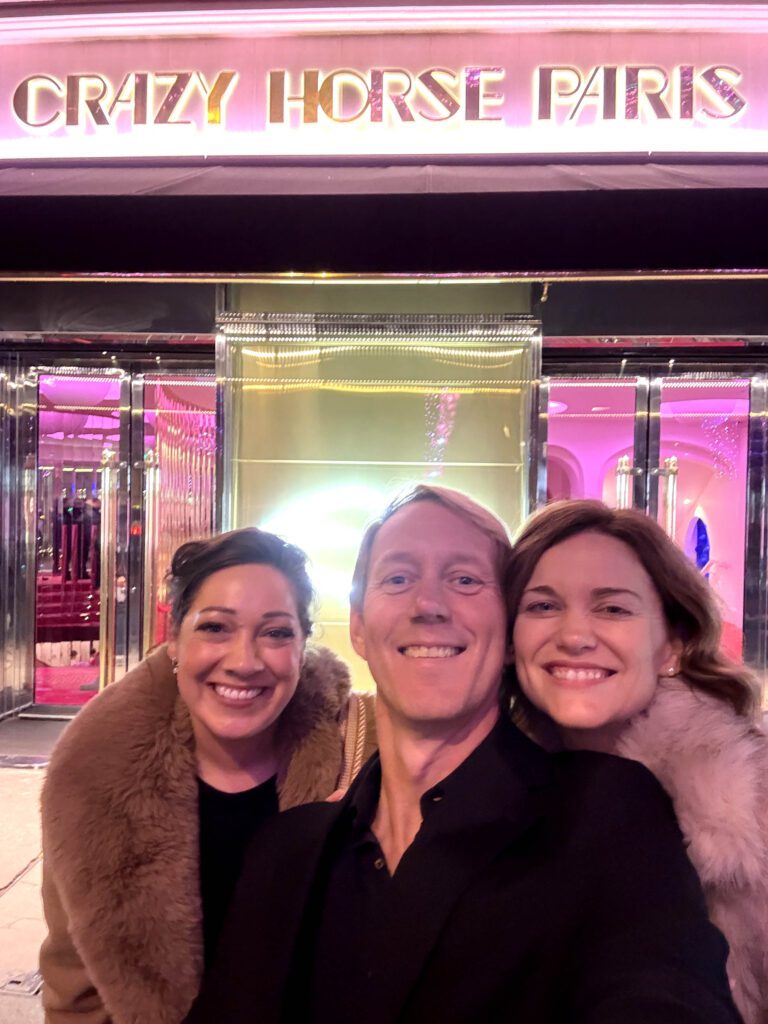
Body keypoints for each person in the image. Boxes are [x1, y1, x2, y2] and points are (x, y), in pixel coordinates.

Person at [185, 485, 740, 1024]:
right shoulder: (289, 849)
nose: (429, 604)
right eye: (398, 578)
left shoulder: (605, 810)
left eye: (466, 579)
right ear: (357, 625)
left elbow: (663, 991)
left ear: (508, 634)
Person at [39, 527, 377, 1024]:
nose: (244, 661)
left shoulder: (364, 758)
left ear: (302, 646)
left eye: (277, 632)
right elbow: (75, 993)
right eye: (216, 628)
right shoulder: (94, 779)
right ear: (174, 639)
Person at [507, 499, 768, 1024]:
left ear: (672, 643)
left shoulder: (754, 804)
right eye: (542, 606)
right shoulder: (481, 799)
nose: (575, 636)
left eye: (613, 608)